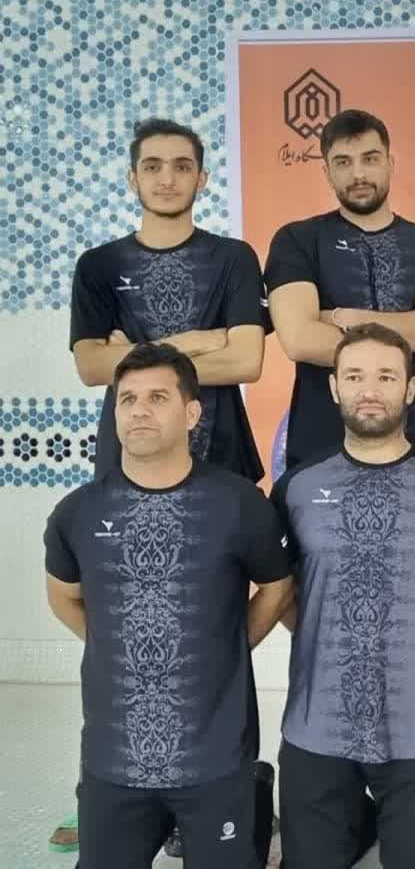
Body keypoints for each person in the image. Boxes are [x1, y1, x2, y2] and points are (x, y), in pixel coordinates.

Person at [63, 116, 272, 857]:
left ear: (202, 178)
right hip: (129, 469)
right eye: (152, 166)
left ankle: (218, 798)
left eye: (182, 166)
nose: (166, 178)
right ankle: (115, 794)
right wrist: (197, 342)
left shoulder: (233, 258)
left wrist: (140, 353)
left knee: (219, 645)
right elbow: (92, 368)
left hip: (224, 461)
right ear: (132, 177)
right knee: (126, 640)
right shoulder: (99, 265)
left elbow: (247, 360)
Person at [44, 343, 294, 869]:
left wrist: (228, 643)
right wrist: (116, 641)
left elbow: (277, 587)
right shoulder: (77, 513)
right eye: (127, 399)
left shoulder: (240, 505)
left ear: (192, 412)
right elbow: (63, 596)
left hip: (216, 758)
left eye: (157, 397)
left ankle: (254, 789)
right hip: (113, 760)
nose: (139, 410)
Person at [270, 322, 415, 868]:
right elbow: (280, 591)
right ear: (334, 387)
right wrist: (324, 636)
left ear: (410, 389)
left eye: (386, 377)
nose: (369, 390)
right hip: (316, 724)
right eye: (354, 376)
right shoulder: (296, 487)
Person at [266, 109, 415, 469]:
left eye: (370, 159)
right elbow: (299, 339)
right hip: (321, 449)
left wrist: (343, 317)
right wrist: (413, 325)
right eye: (343, 162)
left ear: (390, 162)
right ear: (327, 172)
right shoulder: (297, 240)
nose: (358, 174)